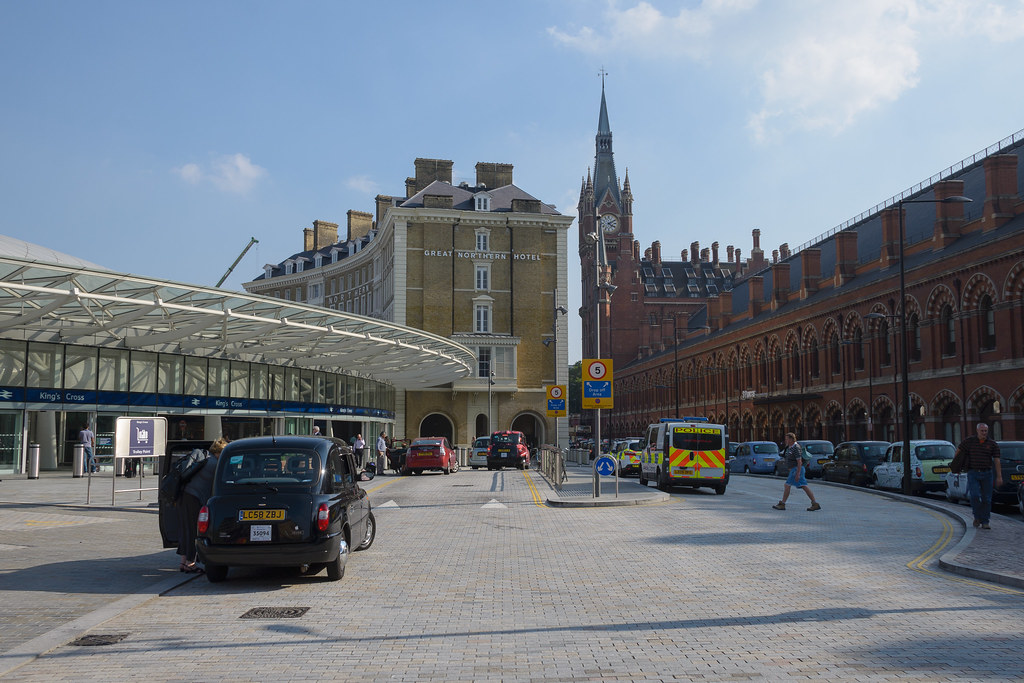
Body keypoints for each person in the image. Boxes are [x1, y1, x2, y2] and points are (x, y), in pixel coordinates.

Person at [177, 437, 228, 573]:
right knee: (195, 531)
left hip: (185, 495)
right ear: (220, 452)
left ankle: (183, 562)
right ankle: (190, 563)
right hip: (194, 498)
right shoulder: (215, 465)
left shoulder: (206, 458)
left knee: (186, 529)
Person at [957, 423, 1002, 529]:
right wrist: (957, 467)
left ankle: (985, 521)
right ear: (977, 431)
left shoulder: (992, 444)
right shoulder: (969, 441)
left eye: (985, 431)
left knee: (987, 499)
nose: (984, 433)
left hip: (987, 473)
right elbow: (959, 451)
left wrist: (999, 476)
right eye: (982, 431)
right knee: (975, 496)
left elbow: (997, 460)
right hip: (973, 473)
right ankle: (977, 516)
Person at [772, 433, 821, 511]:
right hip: (793, 470)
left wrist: (798, 473)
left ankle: (783, 504)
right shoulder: (790, 447)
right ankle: (814, 503)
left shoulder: (796, 448)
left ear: (791, 439)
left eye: (787, 439)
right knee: (803, 486)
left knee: (788, 485)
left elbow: (799, 461)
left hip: (796, 470)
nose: (786, 440)